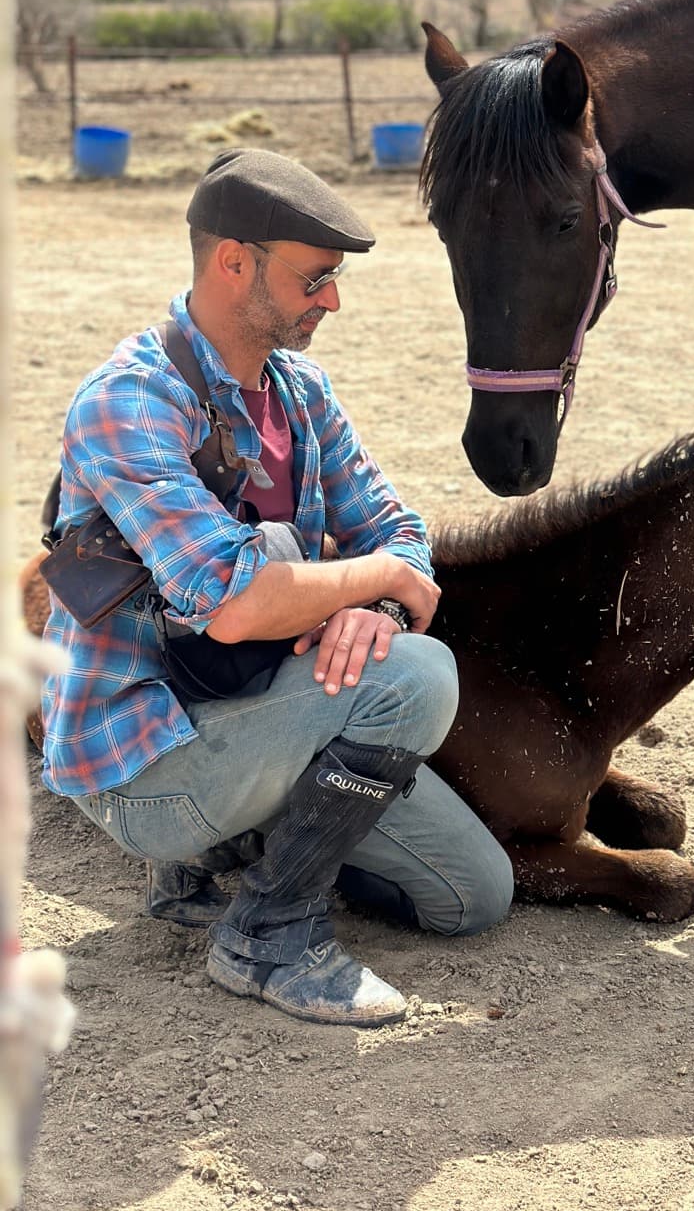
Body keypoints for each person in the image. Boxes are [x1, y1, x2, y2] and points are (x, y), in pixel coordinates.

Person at [38, 148, 513, 1027]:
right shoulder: (131, 401)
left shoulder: (300, 392)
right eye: (315, 278)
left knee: (473, 895)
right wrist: (378, 582)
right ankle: (268, 933)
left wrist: (366, 609)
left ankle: (234, 848)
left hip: (260, 710)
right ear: (232, 263)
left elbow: (398, 530)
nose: (332, 299)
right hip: (147, 760)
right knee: (417, 677)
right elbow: (238, 604)